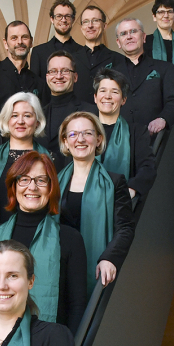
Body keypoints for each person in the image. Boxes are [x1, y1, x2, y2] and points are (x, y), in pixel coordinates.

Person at [0, 152, 87, 334]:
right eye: (24, 179)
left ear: (51, 188)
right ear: (14, 186)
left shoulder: (70, 239)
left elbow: (77, 305)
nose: (32, 187)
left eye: (41, 180)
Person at [56, 112, 136, 293]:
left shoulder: (115, 182)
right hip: (60, 267)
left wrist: (109, 258)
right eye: (73, 134)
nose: (80, 139)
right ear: (66, 142)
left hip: (97, 267)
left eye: (87, 133)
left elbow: (125, 228)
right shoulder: (53, 182)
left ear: (99, 139)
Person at [0, 92, 53, 222]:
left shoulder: (49, 158)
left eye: (27, 116)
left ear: (37, 122)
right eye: (14, 115)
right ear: (7, 120)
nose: (20, 121)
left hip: (36, 232)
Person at [110, 18, 174, 142]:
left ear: (144, 37)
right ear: (118, 42)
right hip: (120, 143)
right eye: (123, 33)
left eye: (133, 31)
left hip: (154, 141)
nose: (129, 37)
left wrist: (163, 119)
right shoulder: (111, 73)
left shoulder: (165, 68)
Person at [93, 69, 157, 199]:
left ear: (123, 100)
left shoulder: (136, 132)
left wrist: (131, 190)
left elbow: (147, 168)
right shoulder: (82, 131)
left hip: (121, 206)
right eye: (103, 90)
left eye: (115, 92)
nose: (108, 96)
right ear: (95, 97)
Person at [0, 21, 49, 131]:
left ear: (31, 42)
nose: (20, 42)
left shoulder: (40, 83)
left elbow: (42, 122)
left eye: (24, 37)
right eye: (14, 38)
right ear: (5, 43)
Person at [40, 50, 97, 172]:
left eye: (65, 71)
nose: (59, 76)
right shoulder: (37, 115)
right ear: (47, 77)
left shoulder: (91, 112)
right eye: (53, 71)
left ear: (75, 77)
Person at [72, 5, 118, 104]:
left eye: (95, 20)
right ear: (81, 28)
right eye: (86, 22)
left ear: (104, 26)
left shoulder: (118, 59)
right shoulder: (71, 59)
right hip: (77, 116)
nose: (90, 25)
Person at [29, 0, 84, 79]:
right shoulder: (38, 52)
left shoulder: (83, 52)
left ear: (73, 19)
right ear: (52, 19)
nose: (63, 20)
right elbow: (35, 86)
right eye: (59, 16)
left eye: (68, 16)